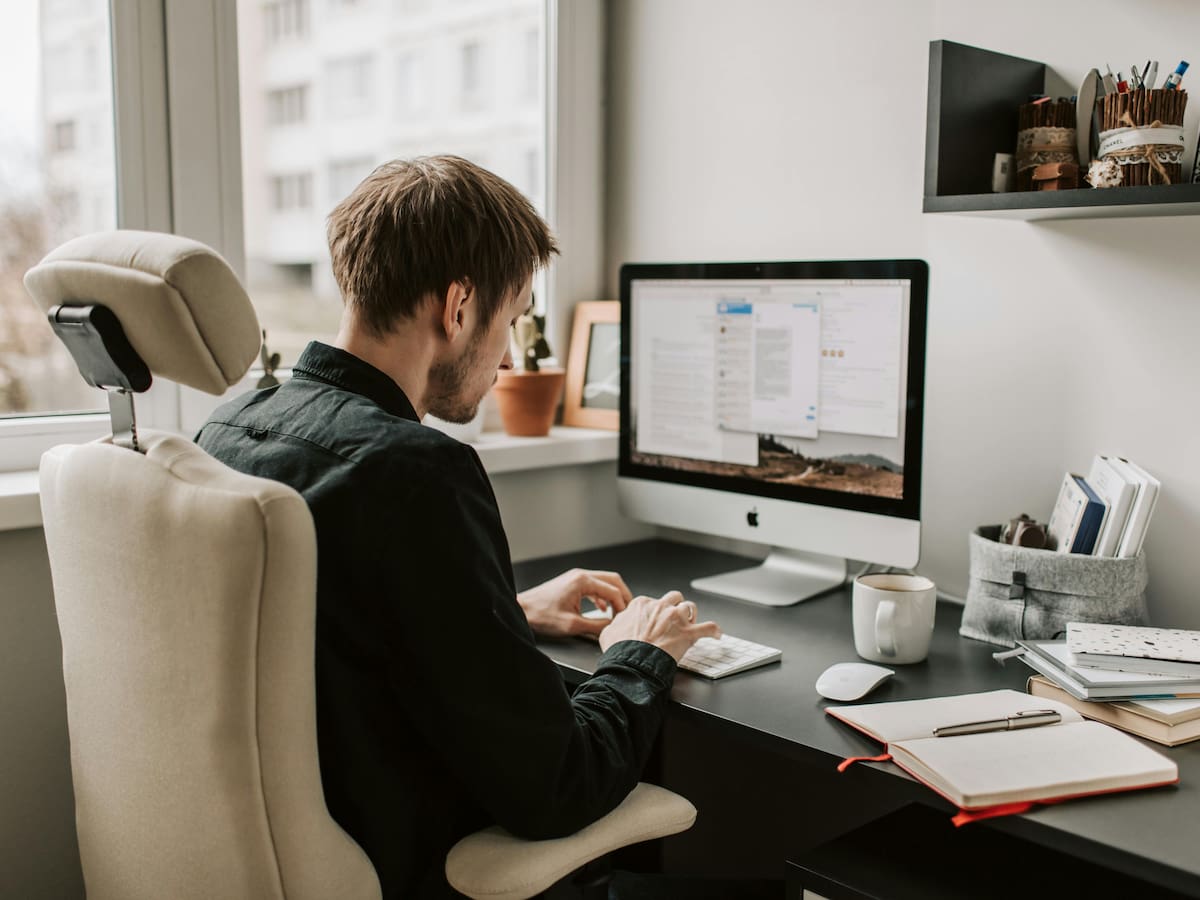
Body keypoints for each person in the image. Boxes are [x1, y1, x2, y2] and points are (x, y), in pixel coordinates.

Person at [196, 155, 721, 899]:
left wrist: (504, 610)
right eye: (510, 321)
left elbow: (329, 629)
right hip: (412, 864)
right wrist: (638, 657)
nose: (509, 355)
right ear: (459, 305)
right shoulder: (415, 473)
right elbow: (558, 786)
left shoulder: (232, 426)